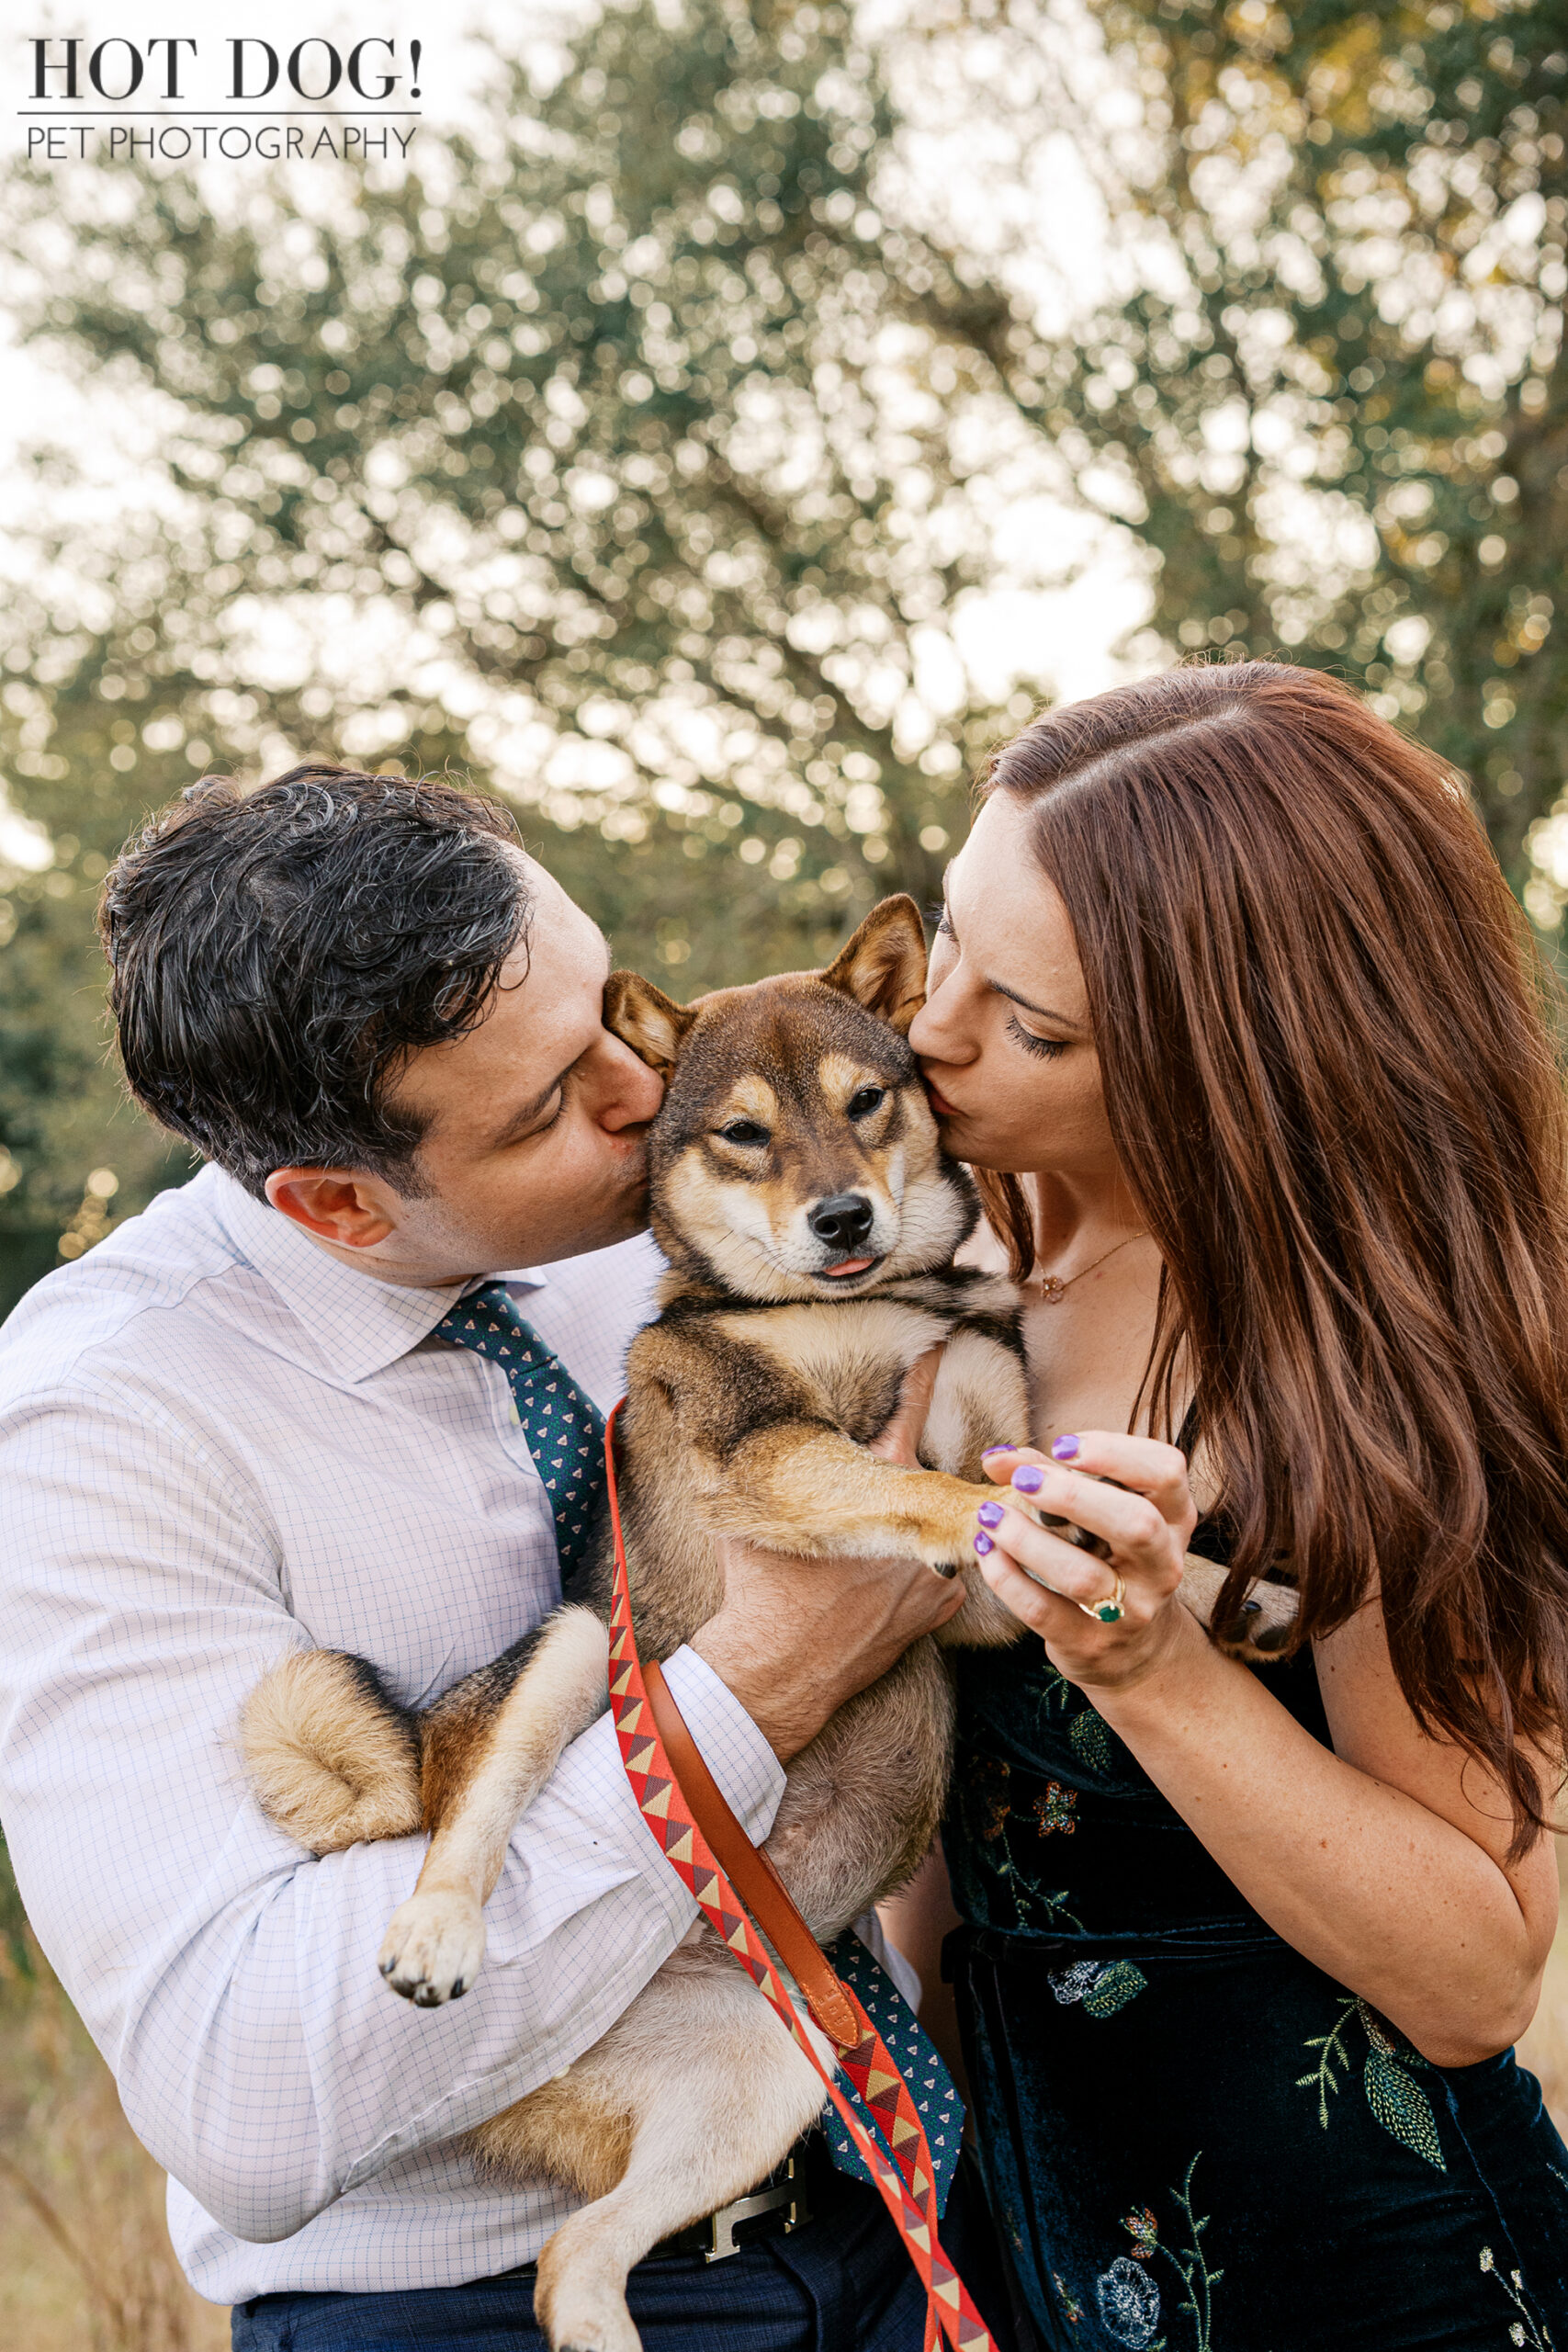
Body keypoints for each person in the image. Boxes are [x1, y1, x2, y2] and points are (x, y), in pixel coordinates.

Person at [0, 764, 1010, 2352]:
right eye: (552, 1106)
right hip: (483, 2311)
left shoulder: (685, 1222)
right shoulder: (99, 1427)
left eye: (606, 1008)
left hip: (899, 2204)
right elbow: (245, 2098)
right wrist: (749, 1692)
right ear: (338, 1202)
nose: (645, 1092)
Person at [890, 662, 1568, 2350]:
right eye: (951, 940)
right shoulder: (935, 1246)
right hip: (1016, 2239)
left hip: (1358, 2273)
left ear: (1236, 1062)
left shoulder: (1392, 1356)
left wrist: (1157, 1675)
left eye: (1033, 1026)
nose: (933, 1030)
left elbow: (1477, 1977)